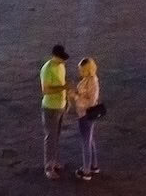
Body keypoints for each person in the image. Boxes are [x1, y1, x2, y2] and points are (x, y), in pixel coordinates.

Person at [70, 56, 103, 180]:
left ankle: (86, 170)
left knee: (86, 142)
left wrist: (76, 96)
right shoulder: (89, 79)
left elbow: (91, 101)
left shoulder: (92, 81)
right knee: (90, 140)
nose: (80, 72)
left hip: (86, 114)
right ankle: (94, 165)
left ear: (88, 70)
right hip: (85, 114)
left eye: (82, 70)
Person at [41, 45, 70, 178]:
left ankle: (54, 161)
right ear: (54, 56)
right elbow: (45, 90)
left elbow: (63, 83)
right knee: (50, 137)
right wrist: (63, 88)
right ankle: (49, 167)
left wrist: (66, 100)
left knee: (56, 136)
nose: (63, 61)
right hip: (50, 108)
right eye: (60, 58)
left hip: (60, 106)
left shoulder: (61, 66)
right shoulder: (47, 69)